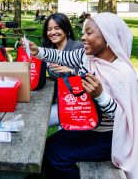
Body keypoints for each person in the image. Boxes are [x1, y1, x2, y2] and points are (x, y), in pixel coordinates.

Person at [23, 12, 138, 179]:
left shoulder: (122, 73)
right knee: (45, 147)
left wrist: (100, 96)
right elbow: (62, 56)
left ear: (108, 38)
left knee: (55, 157)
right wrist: (37, 51)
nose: (83, 37)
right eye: (83, 32)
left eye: (89, 33)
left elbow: (121, 119)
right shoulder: (87, 57)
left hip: (108, 137)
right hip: (88, 126)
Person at [42, 13, 83, 126]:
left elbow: (88, 74)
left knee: (41, 120)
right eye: (49, 29)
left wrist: (70, 70)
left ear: (66, 29)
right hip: (56, 98)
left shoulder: (77, 47)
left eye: (57, 28)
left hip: (76, 102)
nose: (52, 32)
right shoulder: (49, 49)